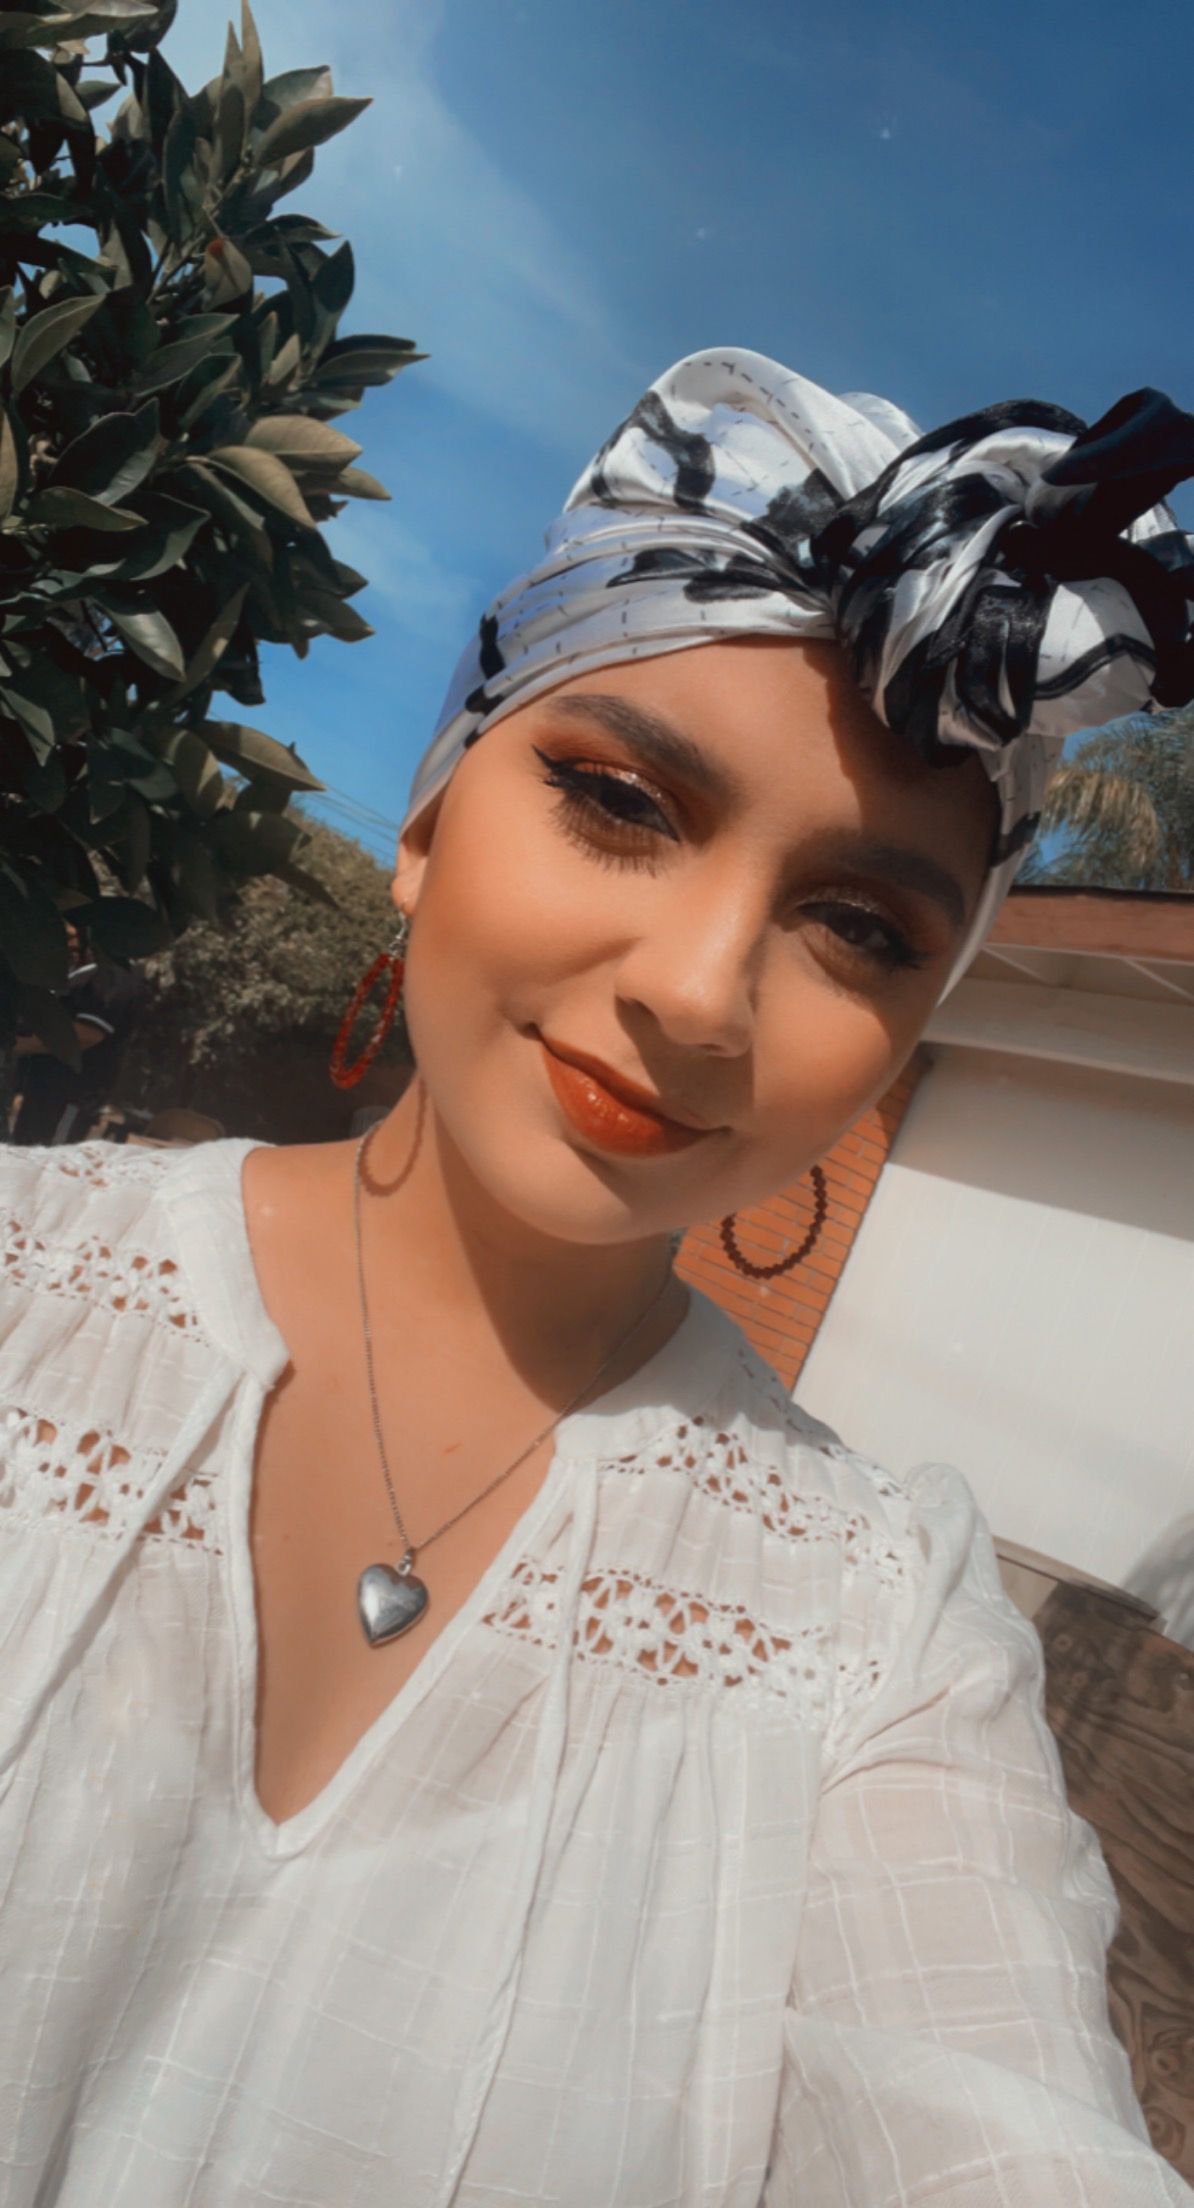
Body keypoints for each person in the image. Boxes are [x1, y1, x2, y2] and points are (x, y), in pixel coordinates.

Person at [1, 350, 1191, 2207]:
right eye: (620, 800)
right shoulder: (23, 1287)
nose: (701, 991)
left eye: (856, 928)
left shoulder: (872, 1626)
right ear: (422, 821)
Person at [9, 925, 148, 1145]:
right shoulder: (83, 973)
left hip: (71, 1094)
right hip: (46, 1089)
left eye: (72, 936)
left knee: (49, 1159)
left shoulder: (114, 976)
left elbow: (86, 1034)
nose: (67, 942)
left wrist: (19, 1044)